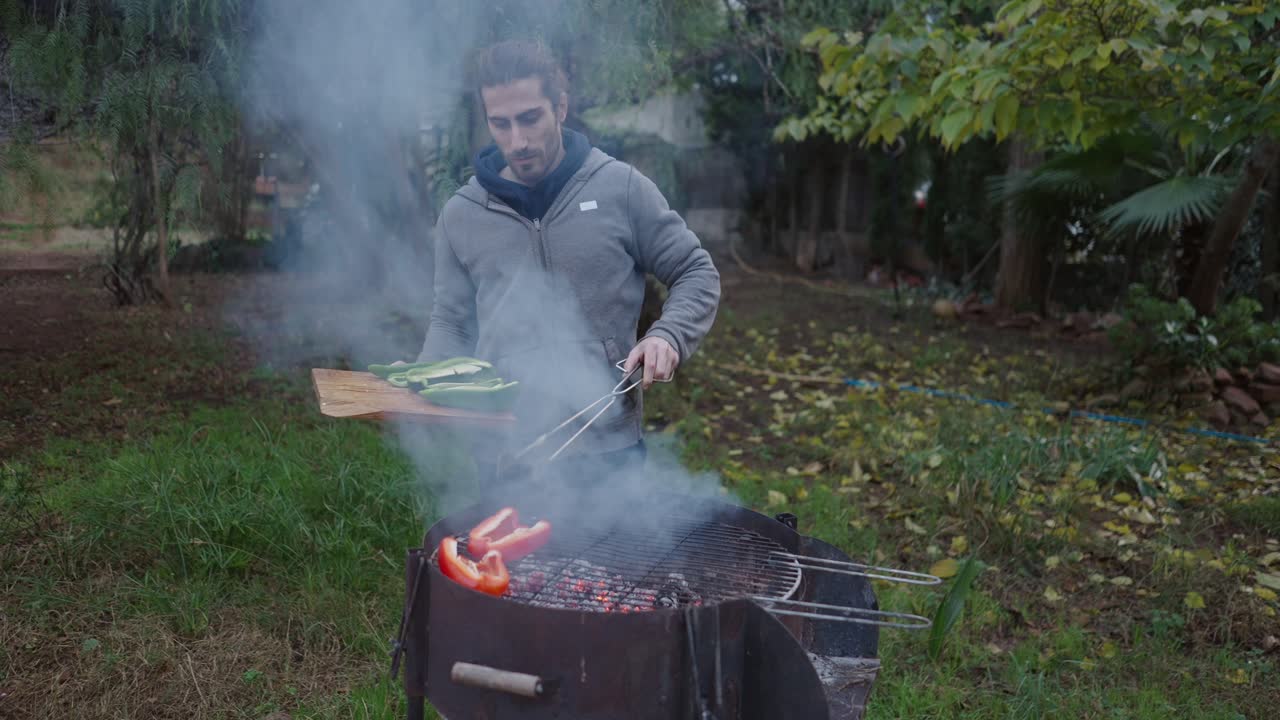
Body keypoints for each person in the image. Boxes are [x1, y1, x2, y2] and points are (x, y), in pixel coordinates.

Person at [414, 40, 720, 485]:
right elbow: (451, 321)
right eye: (500, 124)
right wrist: (423, 390)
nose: (516, 141)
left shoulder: (621, 187)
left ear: (559, 107)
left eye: (529, 118)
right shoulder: (461, 215)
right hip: (507, 453)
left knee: (621, 557)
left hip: (610, 447)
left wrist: (668, 336)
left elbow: (696, 271)